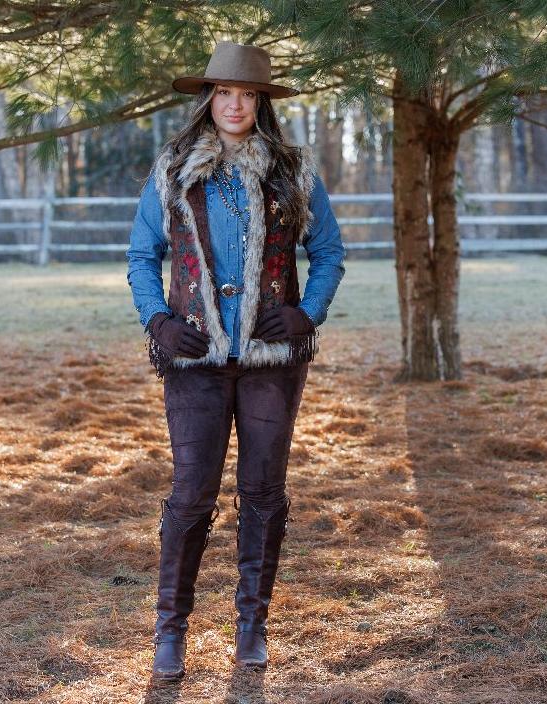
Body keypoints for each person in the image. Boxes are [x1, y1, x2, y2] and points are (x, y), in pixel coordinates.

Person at [126, 41, 346, 680]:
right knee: (191, 493)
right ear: (209, 98)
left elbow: (329, 252)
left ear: (260, 103)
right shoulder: (172, 170)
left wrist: (306, 313)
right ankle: (170, 631)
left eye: (247, 94)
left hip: (271, 359)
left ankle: (252, 625)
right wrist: (159, 322)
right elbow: (142, 255)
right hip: (193, 359)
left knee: (264, 491)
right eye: (225, 92)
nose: (235, 105)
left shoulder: (292, 171)